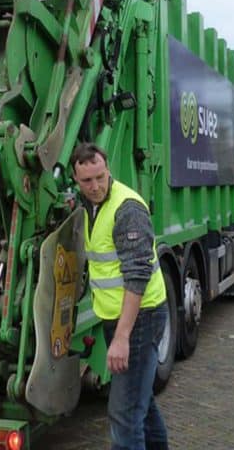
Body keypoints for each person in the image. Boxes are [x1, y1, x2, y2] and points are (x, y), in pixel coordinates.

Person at [71, 143, 169, 450]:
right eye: (87, 181)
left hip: (141, 318)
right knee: (142, 404)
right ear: (76, 180)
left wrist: (122, 337)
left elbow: (137, 276)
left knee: (124, 417)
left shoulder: (127, 209)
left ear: (107, 169)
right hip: (117, 318)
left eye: (100, 177)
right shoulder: (86, 205)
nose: (96, 186)